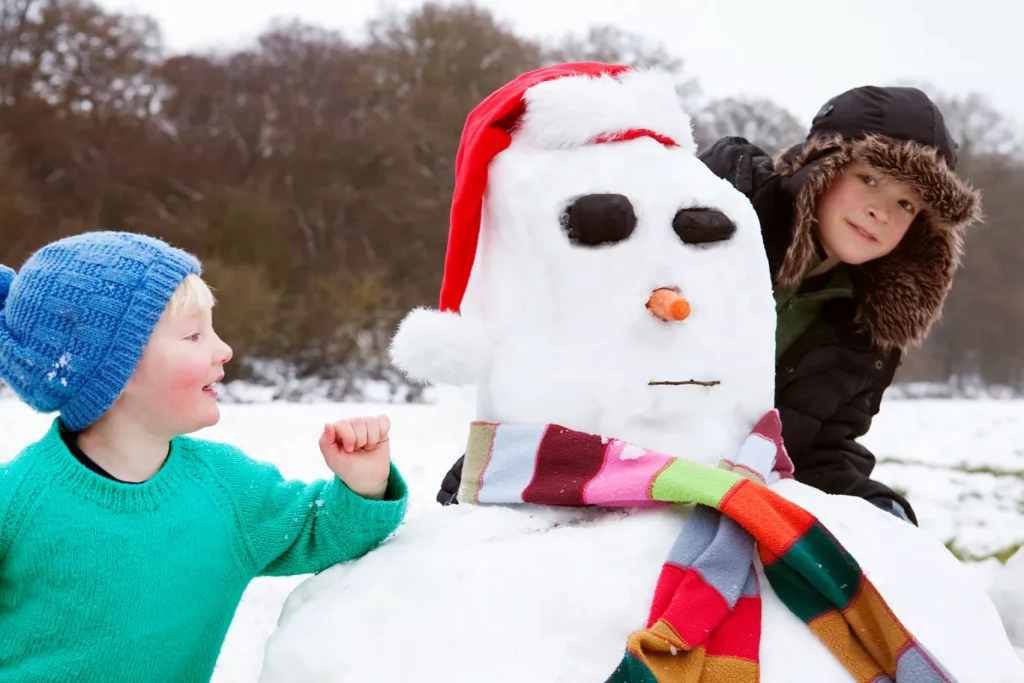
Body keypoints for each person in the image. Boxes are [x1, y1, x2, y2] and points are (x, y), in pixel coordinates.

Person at [435, 85, 981, 525]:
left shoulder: (870, 325)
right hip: (576, 471)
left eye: (907, 202)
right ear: (821, 166)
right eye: (869, 179)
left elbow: (819, 450)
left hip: (709, 510)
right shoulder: (708, 214)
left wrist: (878, 510)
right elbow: (581, 330)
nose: (881, 211)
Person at [0, 231, 408, 682]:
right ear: (111, 369)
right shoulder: (17, 502)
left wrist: (364, 485)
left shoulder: (227, 490)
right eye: (194, 335)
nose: (224, 349)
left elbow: (321, 529)